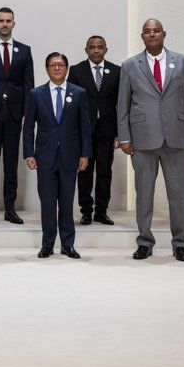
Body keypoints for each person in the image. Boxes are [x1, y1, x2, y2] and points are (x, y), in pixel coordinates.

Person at [118, 18, 184, 262]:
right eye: (147, 31)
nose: (152, 34)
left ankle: (180, 243)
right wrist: (124, 137)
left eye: (156, 31)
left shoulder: (182, 62)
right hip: (142, 138)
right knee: (144, 194)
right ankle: (144, 242)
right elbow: (123, 105)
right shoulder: (130, 65)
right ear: (142, 36)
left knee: (178, 193)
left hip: (176, 137)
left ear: (164, 34)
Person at [23, 53, 91, 259]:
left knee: (67, 203)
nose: (57, 68)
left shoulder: (79, 93)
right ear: (46, 69)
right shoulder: (36, 94)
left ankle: (68, 244)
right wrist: (29, 154)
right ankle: (47, 244)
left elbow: (85, 126)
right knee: (48, 204)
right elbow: (28, 127)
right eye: (52, 65)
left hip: (70, 156)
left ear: (67, 68)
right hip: (44, 157)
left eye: (61, 65)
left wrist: (85, 154)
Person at [0, 7, 34, 224]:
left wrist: (28, 113)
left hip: (14, 114)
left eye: (8, 21)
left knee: (11, 164)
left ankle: (10, 209)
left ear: (13, 24)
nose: (4, 24)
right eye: (1, 20)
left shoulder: (24, 51)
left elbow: (29, 85)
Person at [67, 35, 120, 225]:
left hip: (107, 130)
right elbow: (71, 103)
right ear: (86, 50)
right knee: (85, 171)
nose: (96, 50)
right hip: (84, 131)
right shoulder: (76, 70)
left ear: (106, 49)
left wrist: (119, 132)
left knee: (105, 172)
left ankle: (101, 211)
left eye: (100, 47)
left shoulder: (116, 71)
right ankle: (86, 211)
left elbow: (121, 104)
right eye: (92, 47)